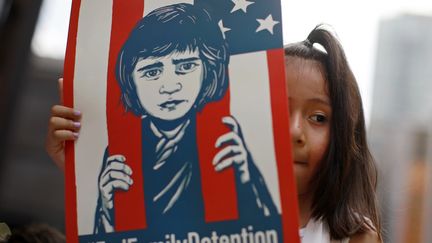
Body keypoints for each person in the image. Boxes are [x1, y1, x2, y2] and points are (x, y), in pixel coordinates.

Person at [46, 3, 279, 238]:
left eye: (186, 67)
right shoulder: (121, 150)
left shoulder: (225, 141)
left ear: (208, 69)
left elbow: (271, 231)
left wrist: (245, 183)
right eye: (151, 72)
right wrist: (101, 203)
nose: (169, 87)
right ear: (130, 81)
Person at [285, 25, 382, 243]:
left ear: (343, 135)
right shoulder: (212, 224)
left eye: (318, 118)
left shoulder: (357, 237)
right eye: (278, 111)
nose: (294, 131)